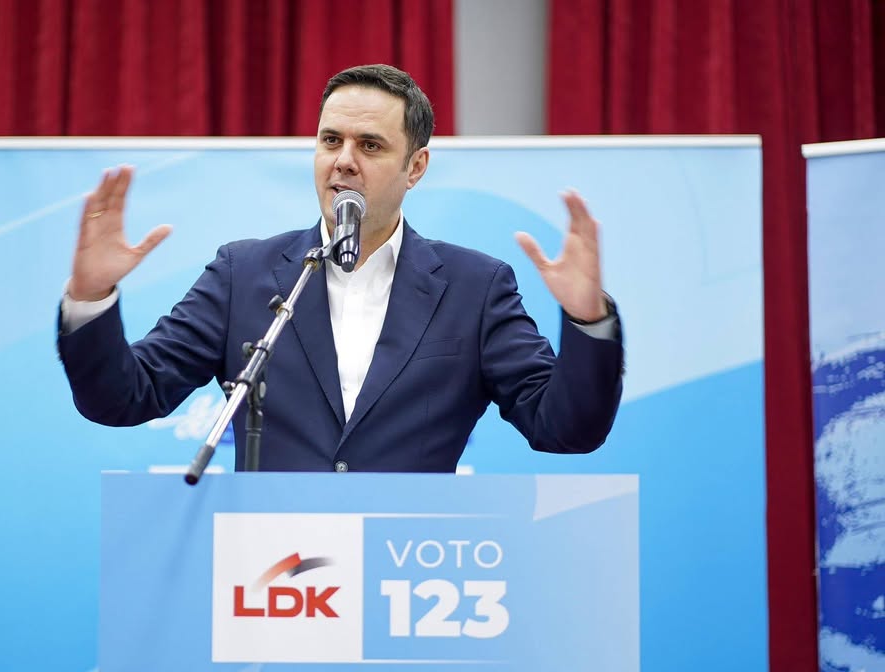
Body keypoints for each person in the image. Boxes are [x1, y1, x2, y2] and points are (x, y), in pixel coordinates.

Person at [58, 64, 623, 473]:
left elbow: (564, 429)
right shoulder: (243, 274)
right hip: (271, 576)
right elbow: (125, 398)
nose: (344, 161)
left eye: (370, 146)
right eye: (331, 140)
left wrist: (587, 320)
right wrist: (92, 297)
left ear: (415, 167)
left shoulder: (474, 287)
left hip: (410, 570)